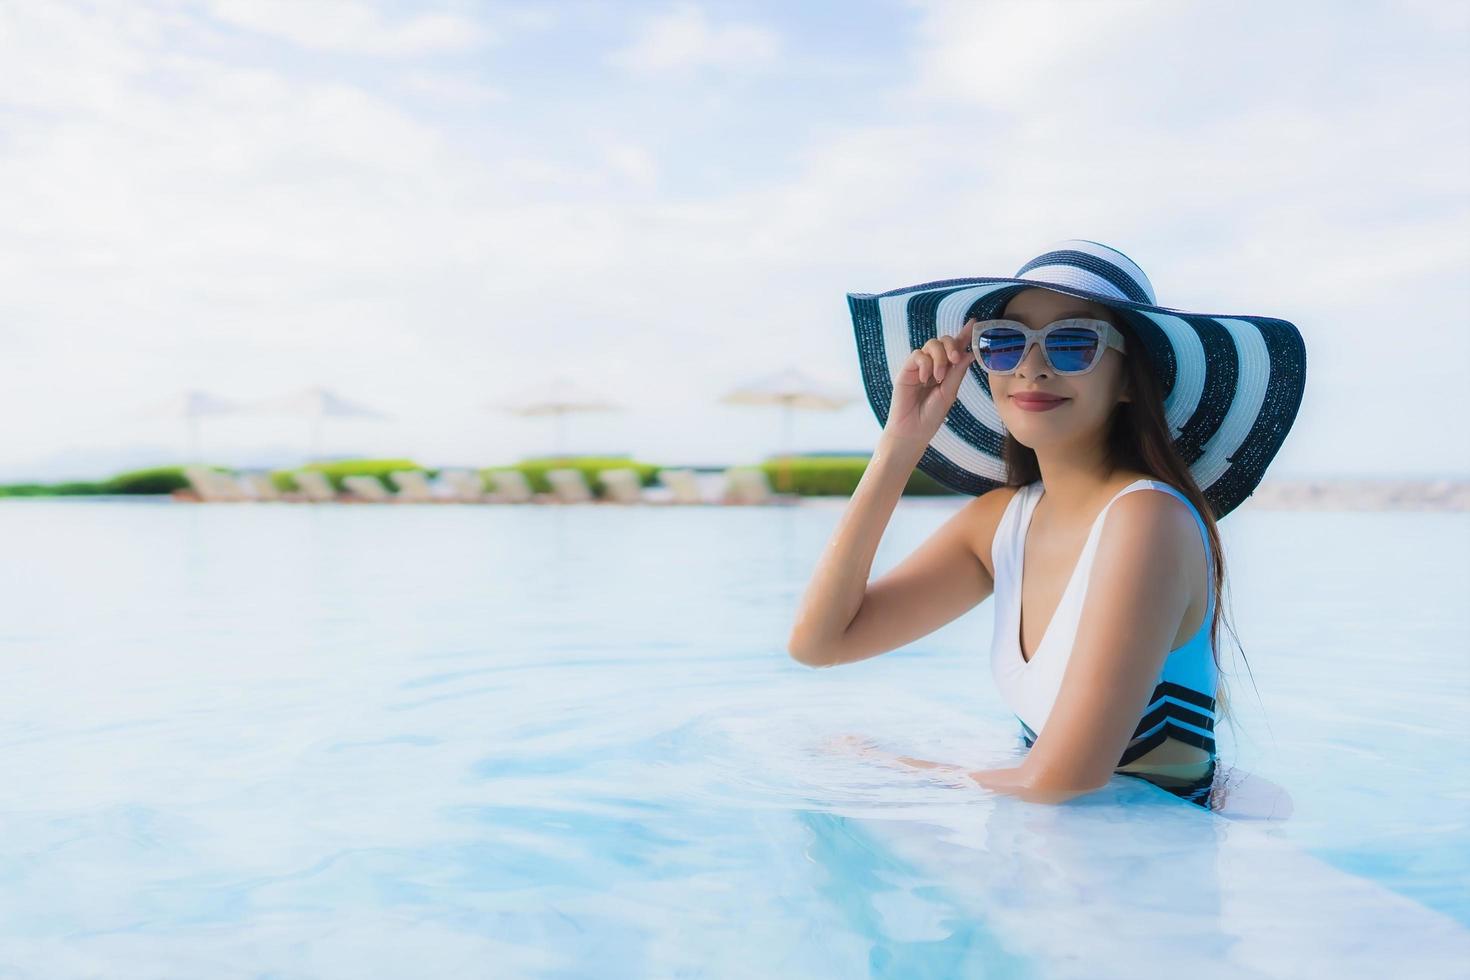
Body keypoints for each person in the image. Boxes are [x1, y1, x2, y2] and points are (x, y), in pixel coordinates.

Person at [787, 239, 1306, 812]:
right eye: (1004, 344)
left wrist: (882, 766)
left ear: (1133, 380)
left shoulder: (1147, 519)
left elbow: (1062, 779)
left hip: (1155, 865)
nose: (1032, 367)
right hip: (1059, 850)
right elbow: (820, 644)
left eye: (1073, 342)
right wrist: (900, 444)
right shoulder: (999, 522)